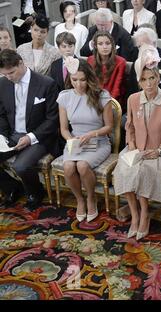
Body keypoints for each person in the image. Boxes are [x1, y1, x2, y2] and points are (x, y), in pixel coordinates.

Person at [113, 51, 161, 241]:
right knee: (124, 170)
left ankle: (144, 214)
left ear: (158, 78)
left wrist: (160, 150)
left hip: (159, 152)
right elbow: (130, 128)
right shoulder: (133, 99)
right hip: (136, 149)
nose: (149, 83)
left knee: (142, 172)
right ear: (139, 81)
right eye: (144, 80)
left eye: (152, 78)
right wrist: (132, 146)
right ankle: (134, 215)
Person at [0, 49, 59, 210]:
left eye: (11, 72)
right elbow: (2, 114)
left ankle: (36, 192)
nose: (9, 77)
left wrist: (30, 137)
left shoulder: (46, 83)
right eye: (5, 74)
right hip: (12, 134)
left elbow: (53, 120)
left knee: (21, 166)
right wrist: (2, 136)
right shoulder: (3, 83)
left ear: (21, 63)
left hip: (40, 137)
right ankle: (12, 187)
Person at [57, 58, 113, 222]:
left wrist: (92, 134)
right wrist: (71, 140)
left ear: (89, 78)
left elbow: (108, 127)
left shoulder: (102, 96)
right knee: (68, 167)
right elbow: (64, 129)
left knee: (82, 165)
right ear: (69, 79)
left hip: (99, 142)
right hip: (75, 141)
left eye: (82, 80)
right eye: (75, 80)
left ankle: (90, 198)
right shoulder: (64, 97)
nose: (79, 84)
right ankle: (79, 199)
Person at [127, 27, 161, 100]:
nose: (142, 49)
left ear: (154, 44)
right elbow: (131, 92)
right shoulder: (136, 65)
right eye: (139, 46)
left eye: (145, 45)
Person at [87, 31, 127, 106]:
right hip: (93, 100)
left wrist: (107, 105)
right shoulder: (90, 60)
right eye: (100, 44)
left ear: (112, 45)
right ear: (95, 46)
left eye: (108, 43)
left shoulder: (120, 62)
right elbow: (90, 84)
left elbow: (116, 89)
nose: (105, 47)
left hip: (112, 101)